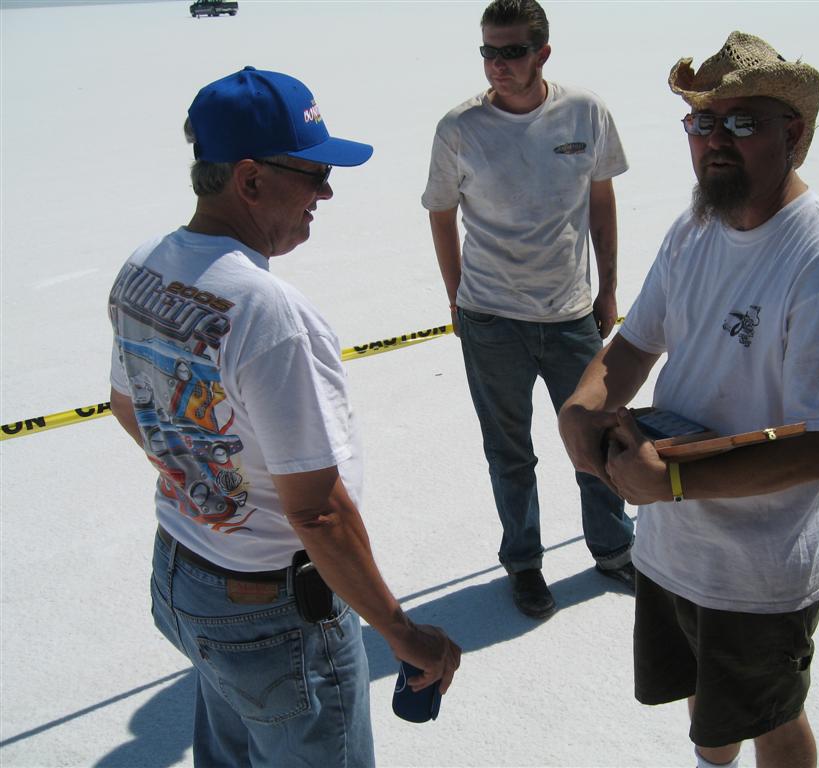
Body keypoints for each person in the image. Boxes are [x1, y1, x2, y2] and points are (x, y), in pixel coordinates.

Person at [107, 67, 461, 767]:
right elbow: (319, 513)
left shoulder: (144, 268)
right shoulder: (268, 313)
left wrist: (205, 481)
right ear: (249, 179)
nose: (326, 192)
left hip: (185, 578)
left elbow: (128, 406)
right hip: (273, 610)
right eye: (312, 172)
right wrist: (401, 632)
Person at [558, 32, 819, 768]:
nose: (716, 142)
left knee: (773, 717)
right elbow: (634, 346)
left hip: (759, 571)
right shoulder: (694, 230)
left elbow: (816, 448)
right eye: (703, 124)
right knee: (708, 708)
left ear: (793, 134)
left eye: (742, 123)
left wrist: (671, 481)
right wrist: (582, 406)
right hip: (675, 550)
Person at [421, 0, 635, 620]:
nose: (497, 65)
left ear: (543, 52)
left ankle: (614, 549)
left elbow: (602, 204)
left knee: (594, 436)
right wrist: (457, 297)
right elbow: (441, 214)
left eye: (512, 51)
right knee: (508, 451)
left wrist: (609, 291)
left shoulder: (584, 113)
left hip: (571, 315)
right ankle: (525, 566)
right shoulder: (458, 129)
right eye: (488, 51)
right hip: (491, 320)